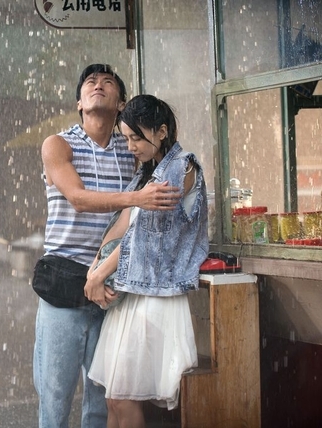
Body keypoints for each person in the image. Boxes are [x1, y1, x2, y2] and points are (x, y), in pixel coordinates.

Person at [34, 65, 183, 428]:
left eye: (107, 82)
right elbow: (78, 198)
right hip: (65, 281)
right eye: (90, 82)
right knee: (55, 396)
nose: (97, 85)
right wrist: (137, 198)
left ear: (121, 104)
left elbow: (162, 180)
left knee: (103, 398)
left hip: (115, 286)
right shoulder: (58, 144)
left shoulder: (131, 149)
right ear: (79, 103)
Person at [84, 94, 209, 428]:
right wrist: (94, 271)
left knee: (124, 400)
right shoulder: (147, 175)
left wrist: (99, 275)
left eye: (136, 138)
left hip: (155, 297)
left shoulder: (181, 167)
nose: (130, 147)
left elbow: (143, 239)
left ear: (162, 131)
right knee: (113, 400)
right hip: (133, 294)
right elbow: (121, 226)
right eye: (126, 138)